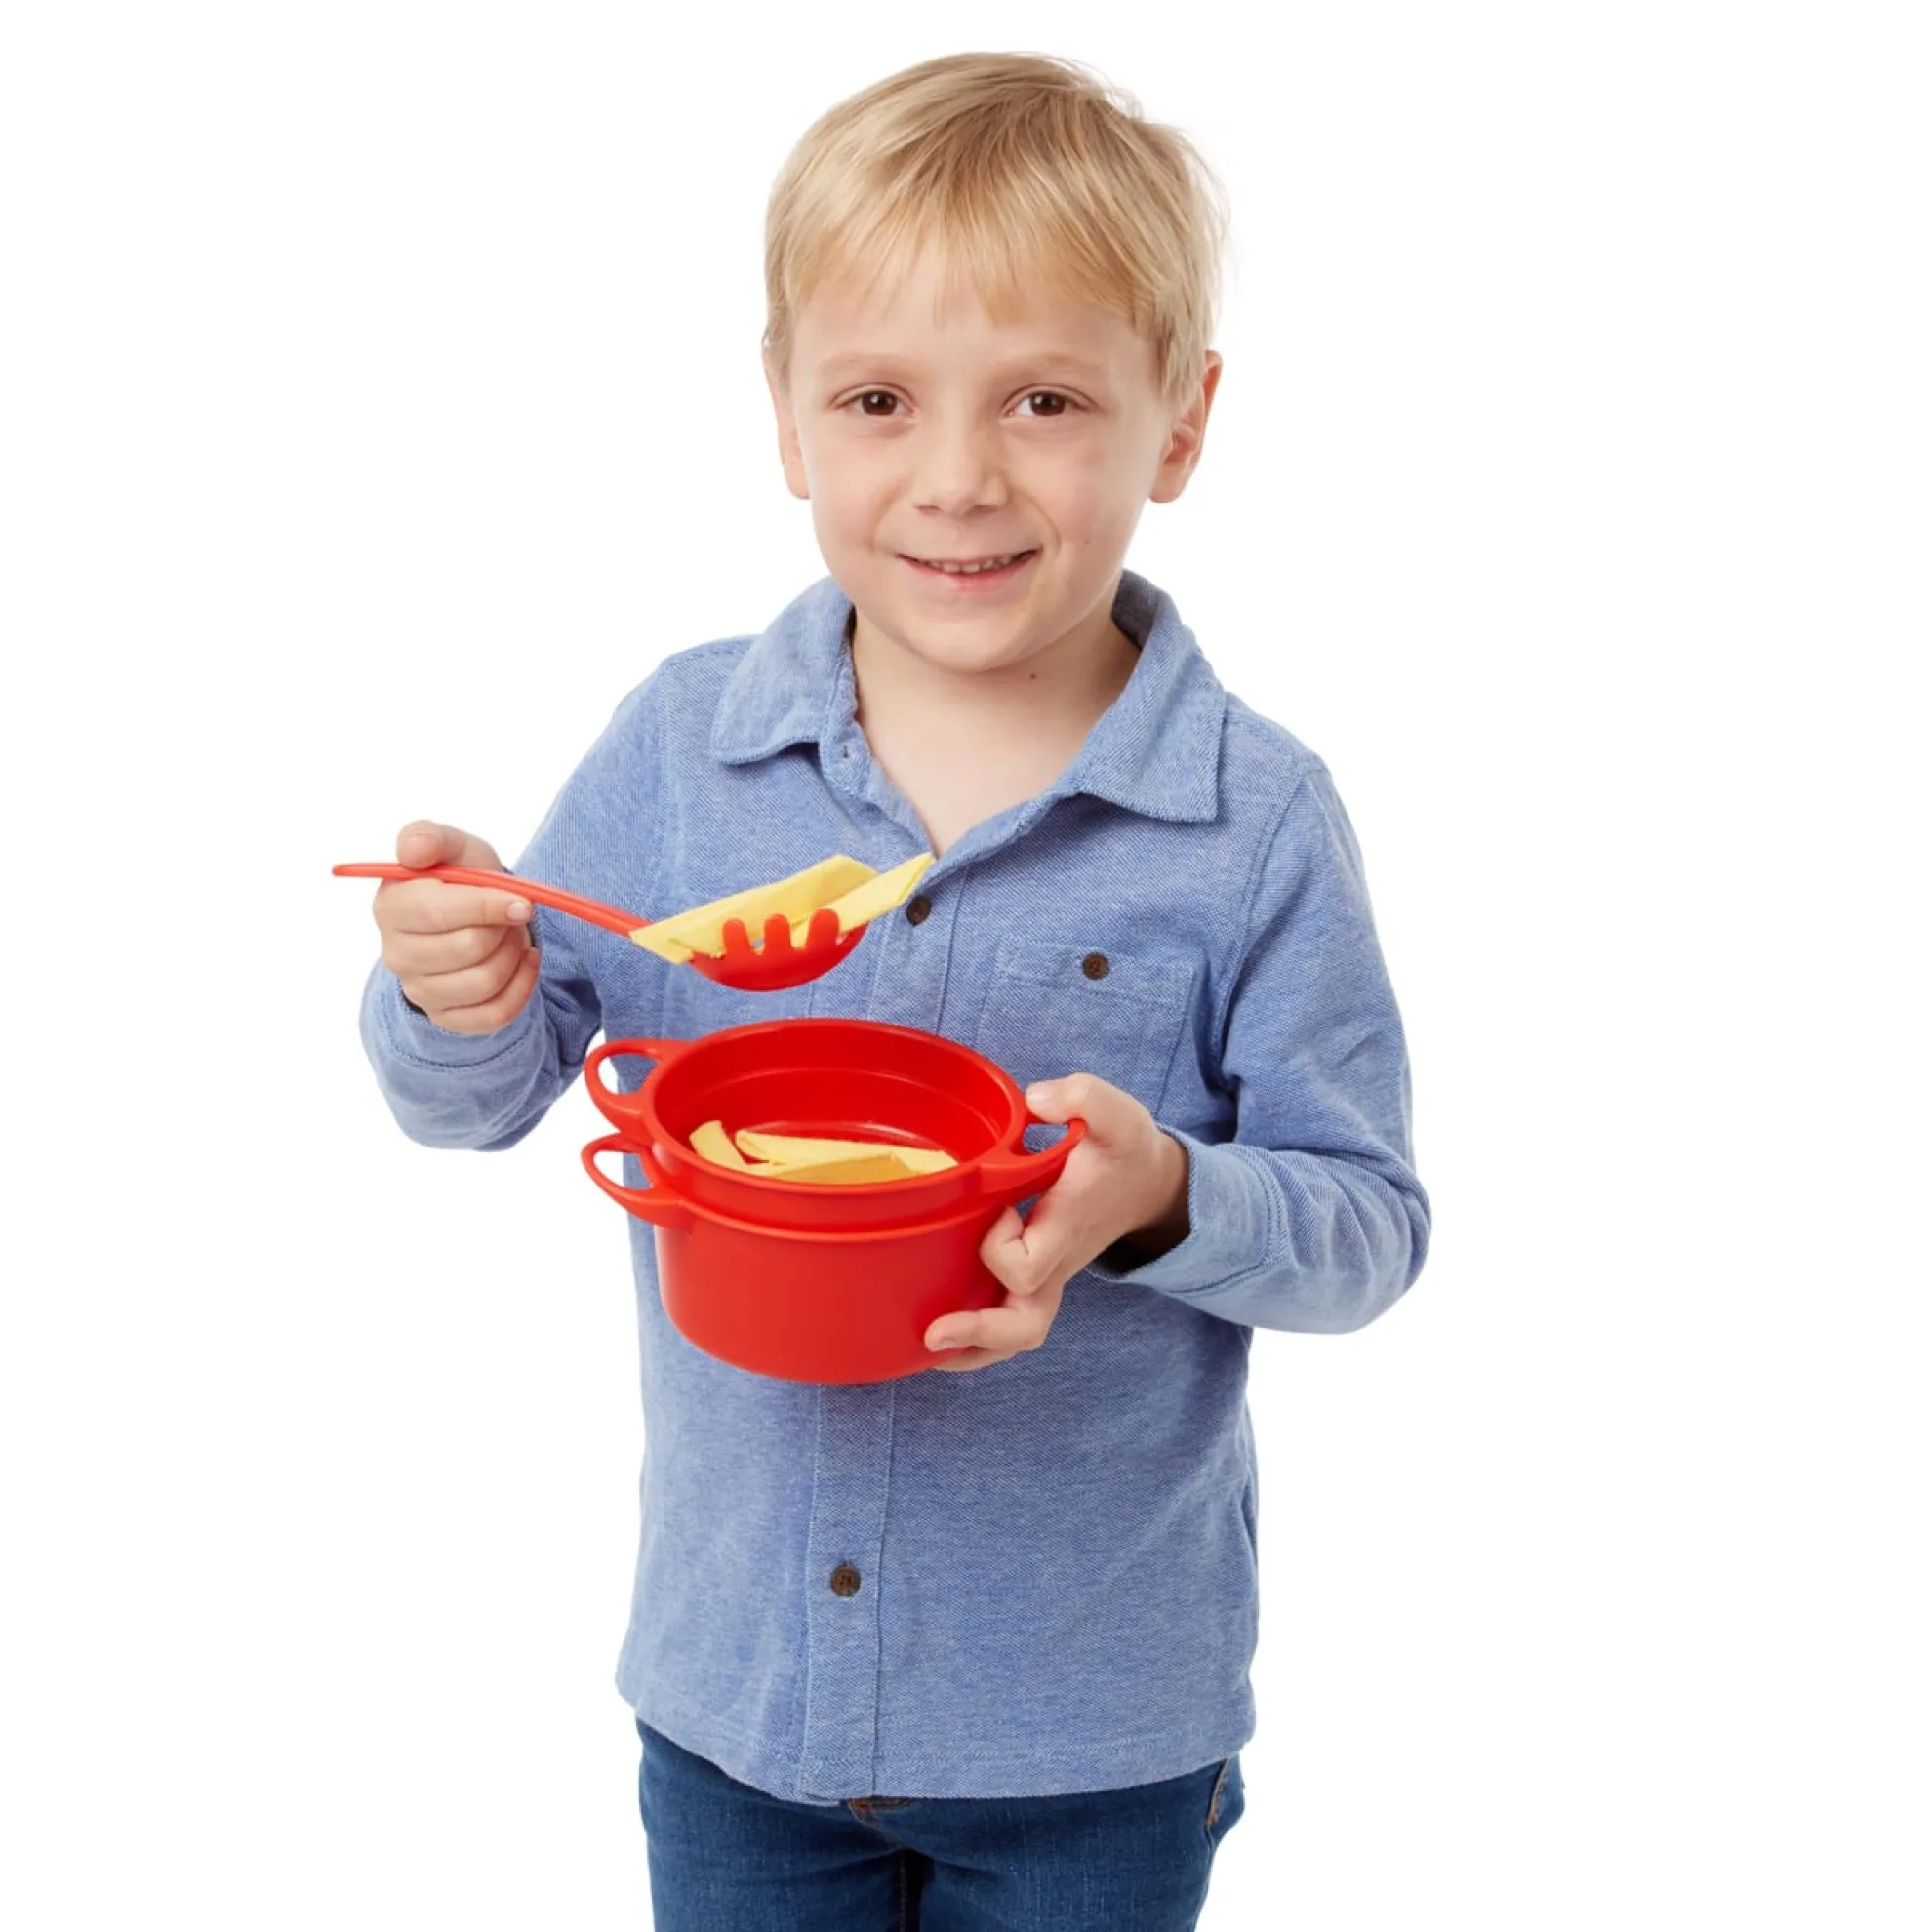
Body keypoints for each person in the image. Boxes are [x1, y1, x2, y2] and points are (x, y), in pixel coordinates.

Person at [354, 50, 1429, 1932]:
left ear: (1180, 422)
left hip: (1095, 1734)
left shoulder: (1253, 819)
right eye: (876, 400)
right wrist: (458, 994)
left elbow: (1367, 1232)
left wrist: (1164, 1197)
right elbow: (490, 1097)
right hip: (735, 1708)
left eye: (1045, 400)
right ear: (785, 417)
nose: (957, 477)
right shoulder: (685, 746)